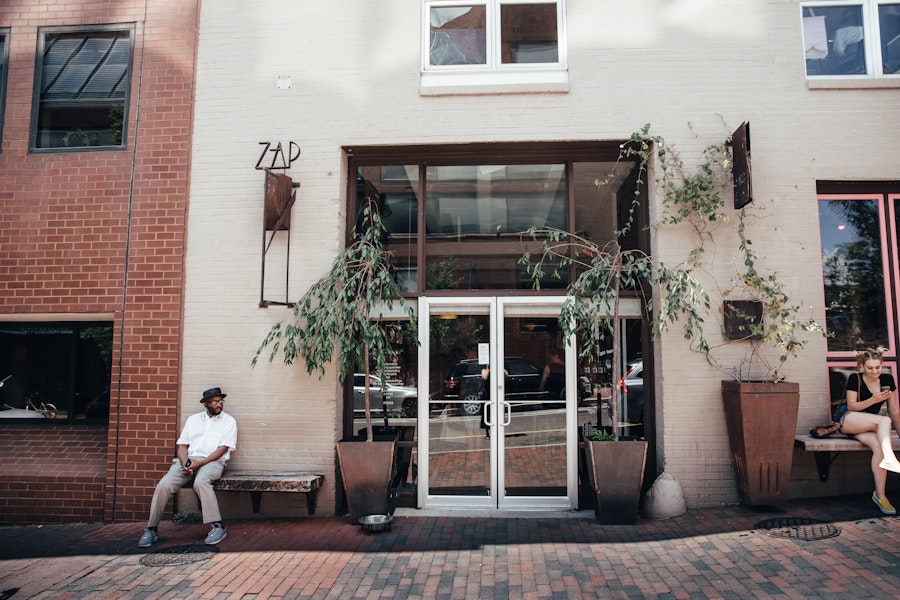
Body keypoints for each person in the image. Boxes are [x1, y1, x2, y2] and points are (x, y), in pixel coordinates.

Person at [138, 387, 238, 547]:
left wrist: (200, 463)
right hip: (188, 460)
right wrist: (185, 463)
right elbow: (182, 445)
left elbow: (222, 449)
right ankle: (151, 529)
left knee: (201, 482)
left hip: (213, 462)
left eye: (220, 401)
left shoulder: (229, 422)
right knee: (164, 485)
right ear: (205, 404)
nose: (219, 404)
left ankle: (218, 526)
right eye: (214, 402)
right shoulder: (193, 420)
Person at [835, 349, 900, 514]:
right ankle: (890, 458)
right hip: (848, 419)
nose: (875, 371)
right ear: (861, 366)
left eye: (878, 367)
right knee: (884, 420)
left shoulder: (887, 379)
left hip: (869, 423)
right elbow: (851, 406)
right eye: (870, 368)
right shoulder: (854, 378)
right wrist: (874, 399)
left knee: (878, 446)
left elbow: (894, 410)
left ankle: (880, 496)